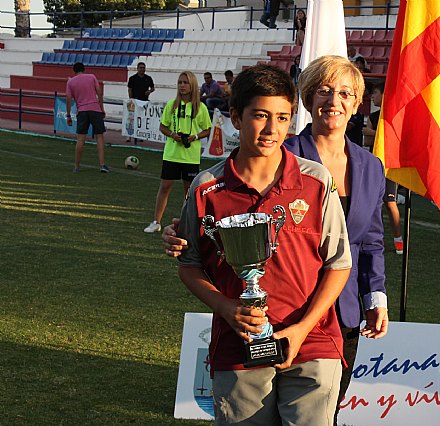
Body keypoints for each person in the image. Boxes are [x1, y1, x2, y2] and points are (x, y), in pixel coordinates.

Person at [162, 56, 389, 424]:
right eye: (324, 91)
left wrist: (366, 300)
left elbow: (354, 251)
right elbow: (192, 259)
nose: (271, 128)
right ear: (236, 117)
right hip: (241, 343)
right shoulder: (210, 186)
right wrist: (221, 301)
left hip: (319, 332)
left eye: (281, 118)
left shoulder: (329, 177)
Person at [143, 71, 212, 233]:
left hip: (190, 157)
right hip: (172, 154)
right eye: (180, 82)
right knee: (165, 186)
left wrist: (194, 137)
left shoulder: (200, 107)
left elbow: (207, 130)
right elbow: (162, 126)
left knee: (189, 191)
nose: (182, 85)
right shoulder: (172, 104)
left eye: (185, 83)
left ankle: (185, 224)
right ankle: (156, 221)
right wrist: (173, 135)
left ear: (192, 85)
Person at [362, 82, 404, 254]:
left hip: (391, 165)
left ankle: (398, 240)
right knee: (371, 202)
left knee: (390, 202)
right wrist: (379, 134)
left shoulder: (395, 115)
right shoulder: (373, 116)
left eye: (376, 93)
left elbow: (394, 138)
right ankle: (373, 238)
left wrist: (374, 132)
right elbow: (367, 140)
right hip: (374, 164)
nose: (373, 96)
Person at [65, 62, 108, 173]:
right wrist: (102, 108)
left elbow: (68, 99)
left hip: (82, 111)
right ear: (84, 69)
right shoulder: (92, 77)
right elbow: (99, 92)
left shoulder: (71, 82)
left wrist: (68, 115)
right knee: (99, 137)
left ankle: (77, 166)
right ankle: (102, 165)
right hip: (94, 108)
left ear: (73, 71)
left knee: (80, 139)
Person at [127, 61, 155, 143]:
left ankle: (140, 135)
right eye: (141, 68)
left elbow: (153, 88)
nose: (142, 69)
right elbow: (130, 89)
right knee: (131, 119)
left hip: (144, 101)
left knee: (142, 119)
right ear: (137, 68)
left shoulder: (148, 78)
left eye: (144, 68)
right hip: (135, 100)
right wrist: (131, 99)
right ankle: (129, 135)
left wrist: (149, 91)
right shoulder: (132, 78)